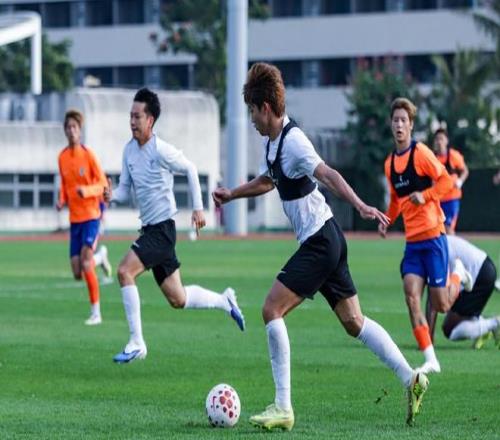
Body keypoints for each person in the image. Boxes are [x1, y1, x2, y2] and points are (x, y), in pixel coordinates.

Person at [213, 63, 428, 431]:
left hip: (320, 241)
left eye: (252, 111)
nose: (251, 119)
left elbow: (327, 174)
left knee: (271, 309)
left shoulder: (294, 141)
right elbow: (269, 180)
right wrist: (232, 194)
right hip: (328, 238)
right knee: (354, 322)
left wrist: (360, 206)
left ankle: (283, 407)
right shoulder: (272, 143)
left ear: (266, 107)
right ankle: (411, 378)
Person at [105, 88, 245, 364]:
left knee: (123, 271)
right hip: (150, 231)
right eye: (130, 116)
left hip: (162, 231)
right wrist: (110, 195)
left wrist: (198, 208)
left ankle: (137, 342)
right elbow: (124, 190)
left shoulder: (161, 149)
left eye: (137, 116)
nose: (132, 121)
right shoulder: (129, 151)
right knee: (177, 299)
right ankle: (224, 301)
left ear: (150, 120)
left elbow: (191, 168)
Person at [379, 98, 472, 375]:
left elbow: (446, 180)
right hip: (412, 243)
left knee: (441, 304)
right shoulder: (389, 164)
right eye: (395, 120)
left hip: (433, 238)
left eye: (403, 120)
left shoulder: (421, 153)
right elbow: (395, 199)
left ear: (411, 125)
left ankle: (459, 274)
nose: (399, 125)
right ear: (391, 125)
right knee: (411, 296)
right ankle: (431, 359)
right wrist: (387, 220)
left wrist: (426, 195)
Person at [57, 109, 112, 325]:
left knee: (86, 263)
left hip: (91, 216)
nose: (71, 131)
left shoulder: (88, 155)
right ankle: (101, 257)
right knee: (77, 271)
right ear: (65, 131)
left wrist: (86, 191)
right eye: (68, 127)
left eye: (75, 127)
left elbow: (103, 184)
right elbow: (64, 184)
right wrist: (61, 200)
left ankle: (96, 313)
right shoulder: (62, 157)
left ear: (80, 131)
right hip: (75, 219)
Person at [425, 235, 499, 349]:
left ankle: (495, 323)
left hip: (480, 274)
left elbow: (433, 298)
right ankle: (484, 327)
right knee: (451, 324)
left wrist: (427, 342)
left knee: (450, 329)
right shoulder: (435, 241)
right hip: (480, 270)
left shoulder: (434, 248)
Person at [432, 128, 468, 234]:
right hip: (438, 200)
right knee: (438, 230)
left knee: (448, 228)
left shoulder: (453, 155)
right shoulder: (432, 158)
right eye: (437, 139)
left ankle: (452, 244)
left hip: (452, 198)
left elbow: (465, 170)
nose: (439, 142)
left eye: (441, 139)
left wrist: (460, 181)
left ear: (446, 141)